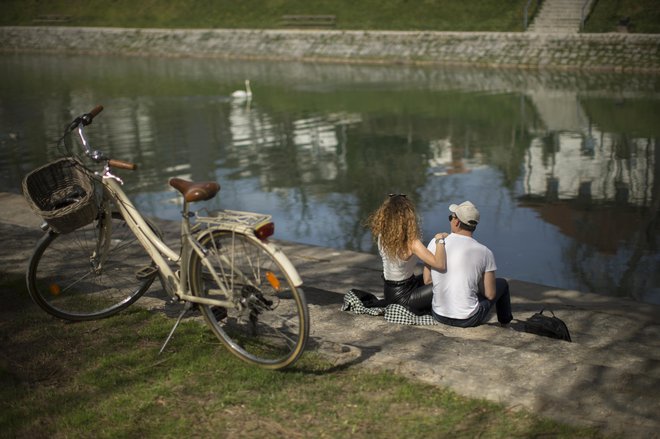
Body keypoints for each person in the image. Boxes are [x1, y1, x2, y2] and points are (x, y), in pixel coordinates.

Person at [423, 201, 513, 327]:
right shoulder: (485, 252)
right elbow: (490, 294)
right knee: (502, 283)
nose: (450, 221)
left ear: (457, 222)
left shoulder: (436, 242)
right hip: (468, 319)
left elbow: (427, 279)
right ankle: (505, 321)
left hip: (438, 314)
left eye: (451, 217)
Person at [367, 193, 448, 315]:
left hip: (390, 291)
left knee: (434, 277)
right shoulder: (412, 243)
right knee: (446, 282)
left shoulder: (382, 236)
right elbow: (440, 264)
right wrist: (439, 239)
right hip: (404, 298)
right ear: (408, 217)